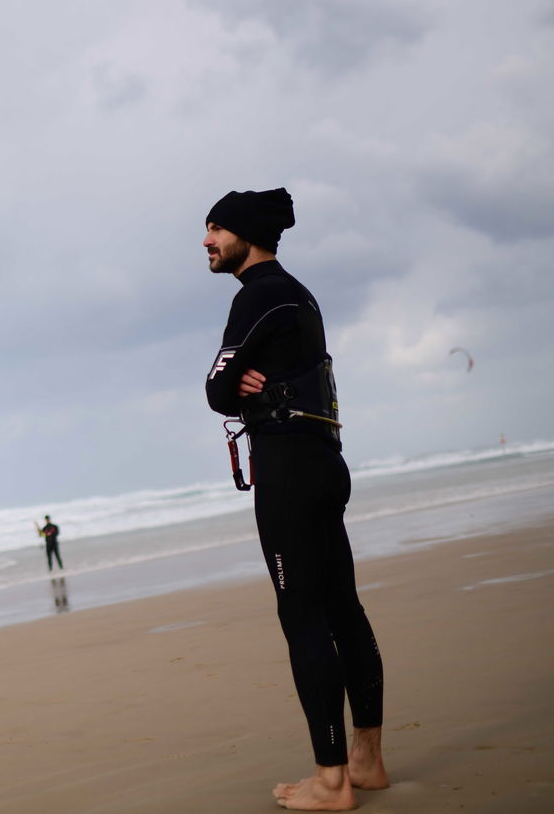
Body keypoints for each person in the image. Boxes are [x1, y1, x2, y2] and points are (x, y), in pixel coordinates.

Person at [203, 187, 388, 810]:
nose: (206, 242)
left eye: (215, 230)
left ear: (246, 235)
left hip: (287, 470)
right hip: (326, 462)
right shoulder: (300, 294)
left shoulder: (256, 294)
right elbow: (246, 380)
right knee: (343, 608)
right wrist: (247, 382)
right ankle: (366, 760)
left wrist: (240, 385)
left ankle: (331, 782)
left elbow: (218, 388)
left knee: (301, 616)